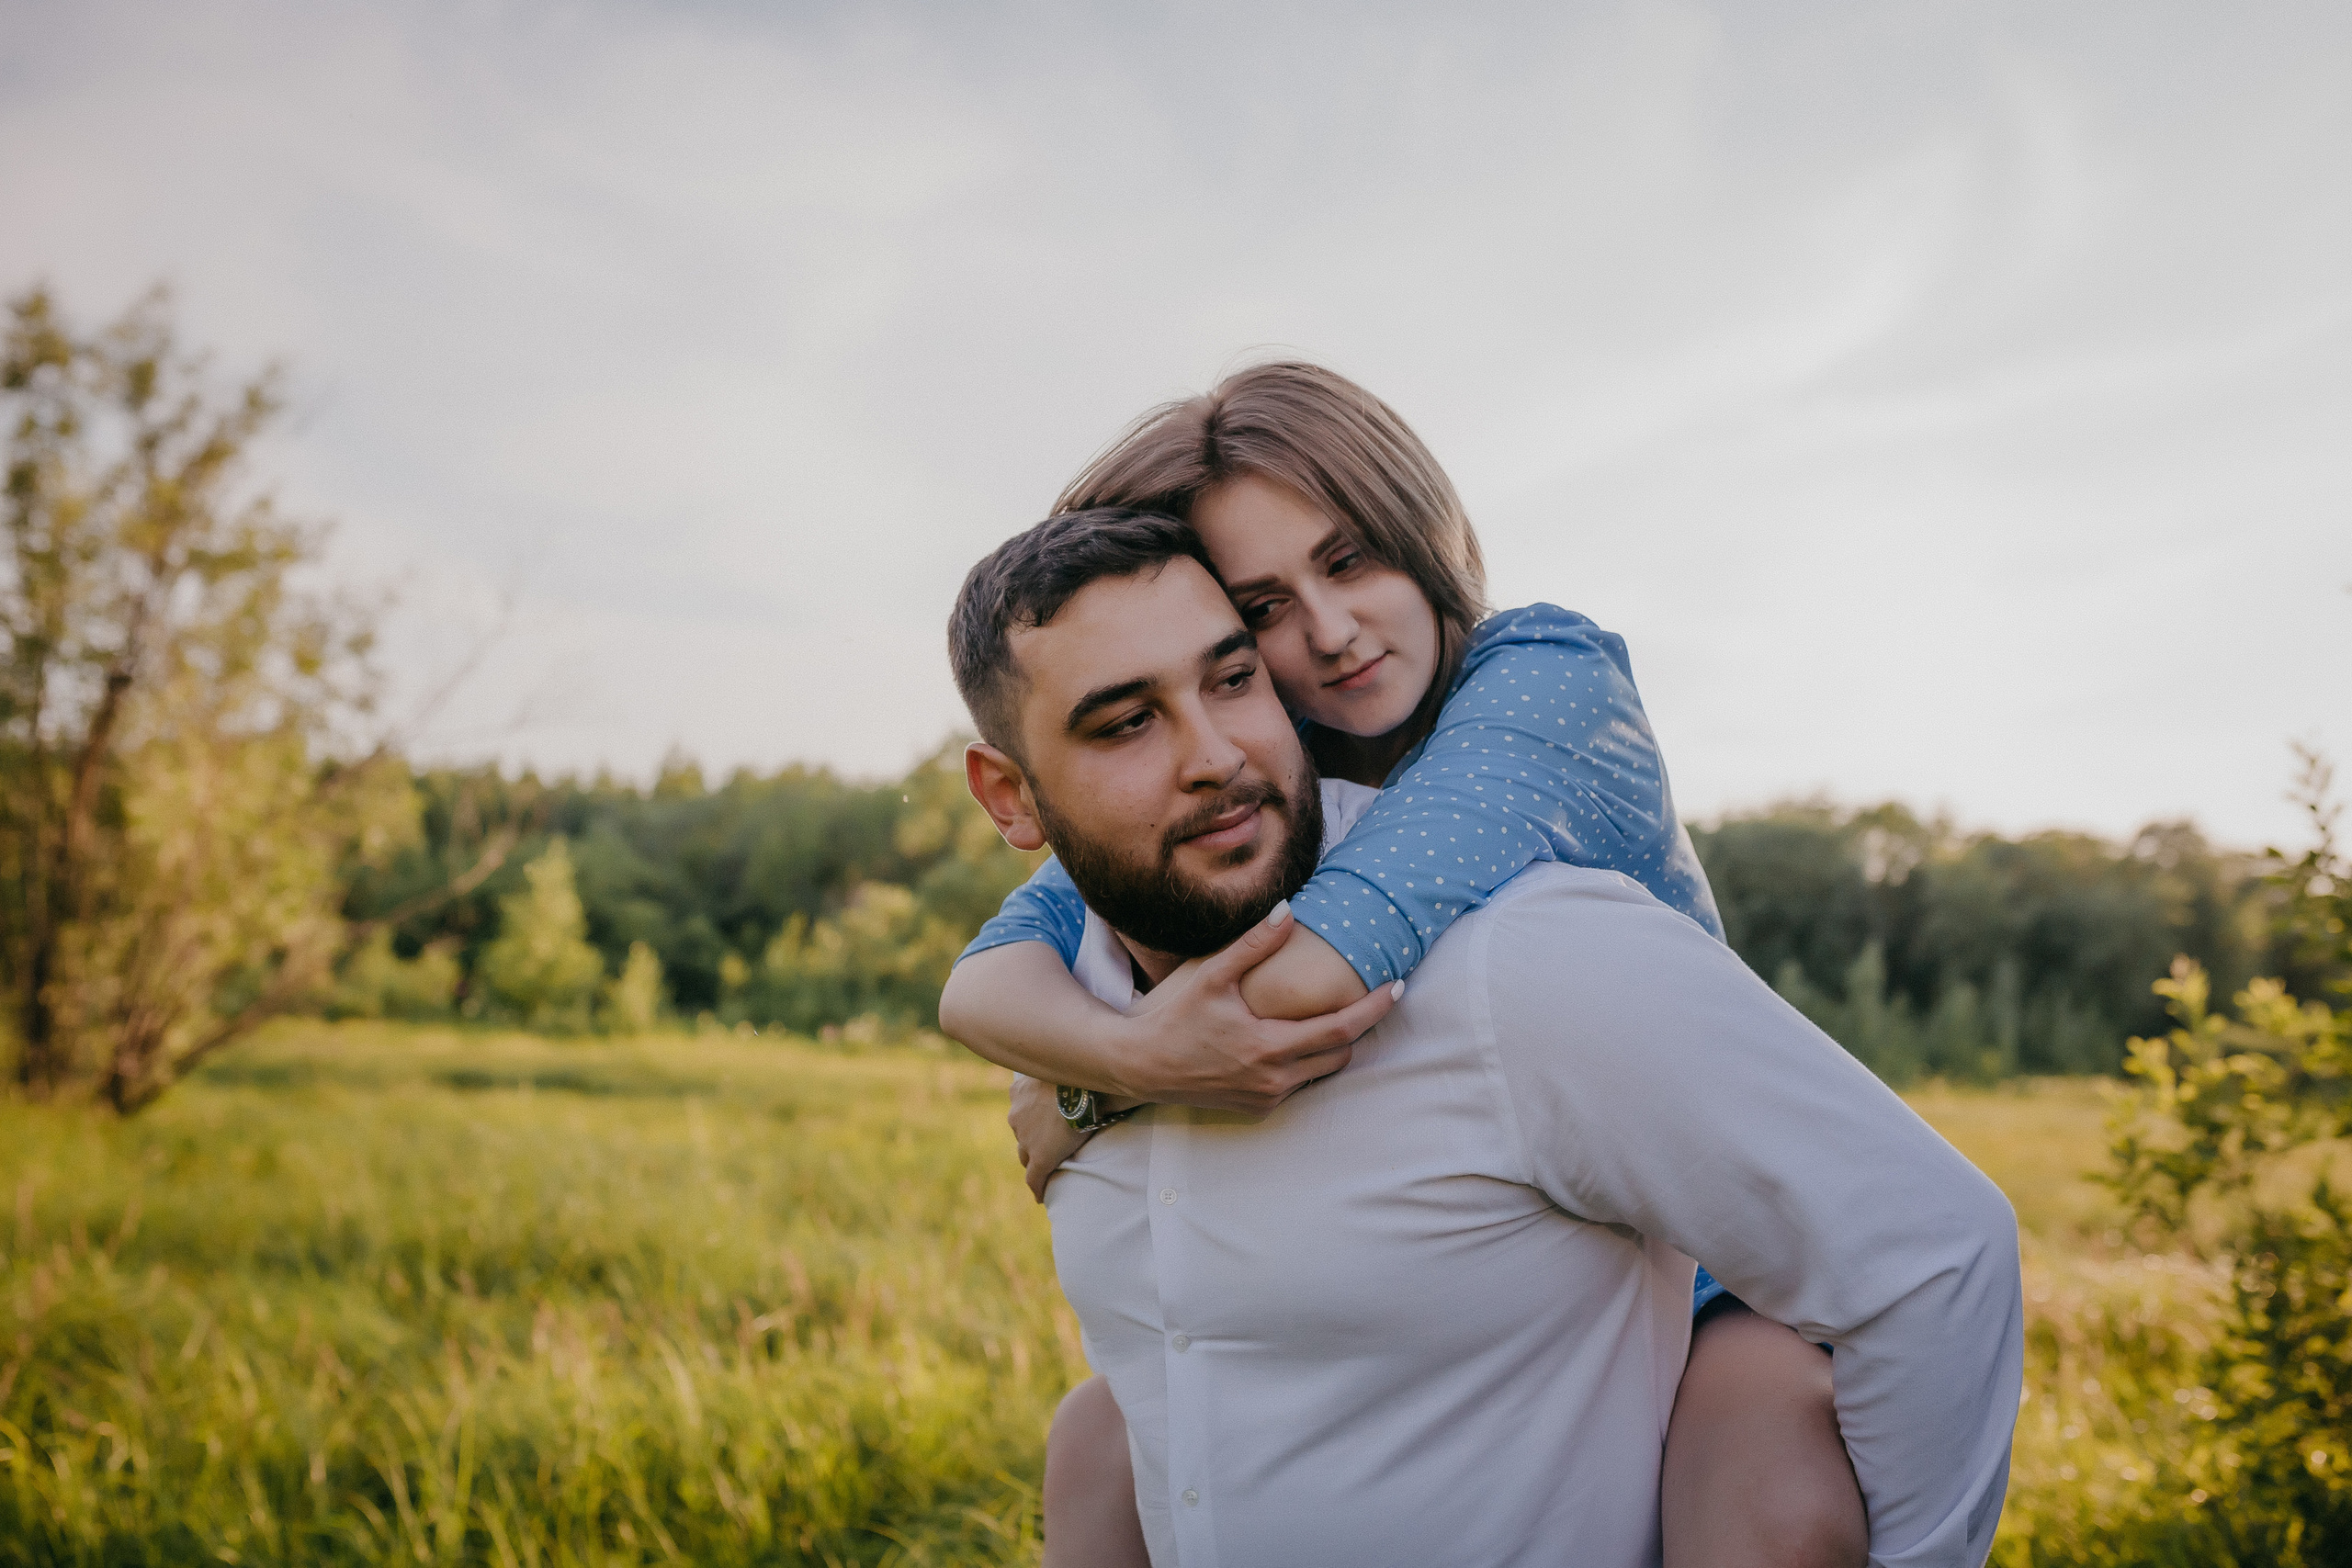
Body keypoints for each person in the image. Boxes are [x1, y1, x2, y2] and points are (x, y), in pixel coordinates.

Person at [945, 509, 2024, 1567]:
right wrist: (1101, 1076)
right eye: (1124, 722)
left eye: (1234, 679)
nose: (1215, 755)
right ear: (1010, 797)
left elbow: (1935, 1258)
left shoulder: (1523, 957)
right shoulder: (1069, 1021)